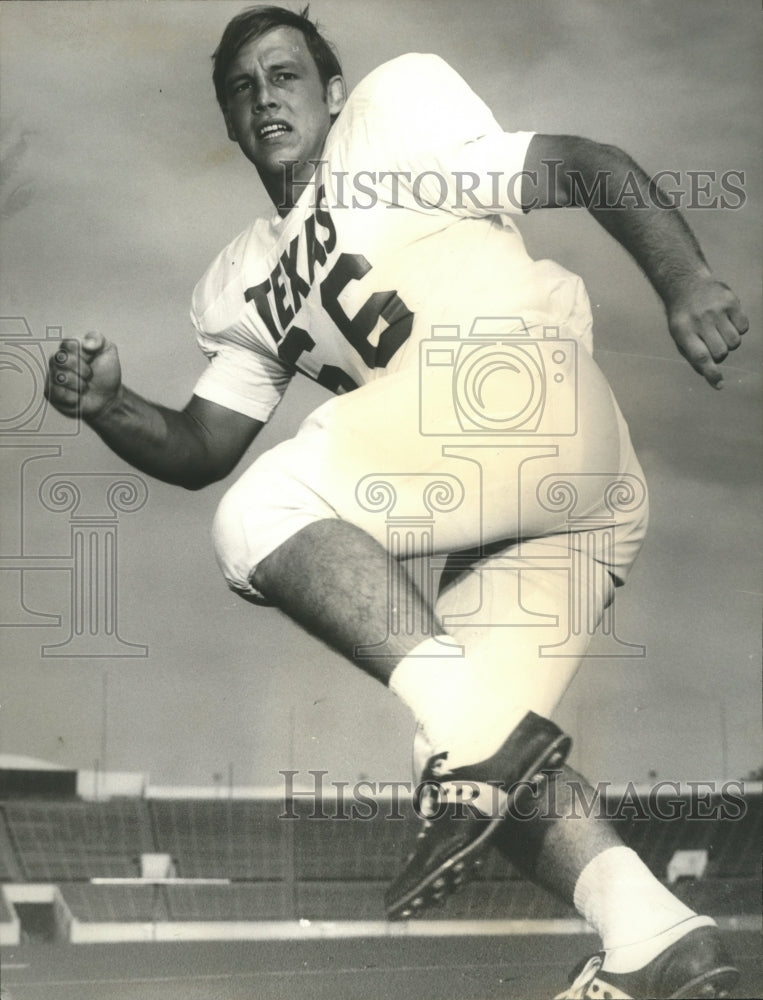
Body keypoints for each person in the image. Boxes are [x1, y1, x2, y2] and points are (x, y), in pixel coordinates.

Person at [46, 6, 747, 998]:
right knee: (467, 744)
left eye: (286, 74)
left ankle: (494, 753)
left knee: (262, 516)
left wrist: (682, 278)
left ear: (334, 92)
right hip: (568, 500)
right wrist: (111, 404)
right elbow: (203, 444)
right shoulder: (243, 279)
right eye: (242, 89)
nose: (266, 96)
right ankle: (654, 936)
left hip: (518, 389)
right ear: (231, 125)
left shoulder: (391, 121)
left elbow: (582, 161)